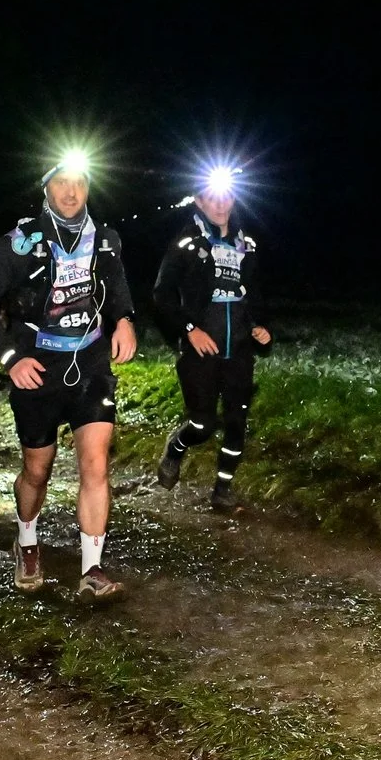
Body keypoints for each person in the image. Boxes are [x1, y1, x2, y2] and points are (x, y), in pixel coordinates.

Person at [0, 157, 138, 596]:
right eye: (60, 183)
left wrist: (124, 320)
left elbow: (118, 290)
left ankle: (92, 569)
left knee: (95, 465)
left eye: (79, 182)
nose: (70, 191)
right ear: (45, 189)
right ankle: (26, 541)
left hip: (91, 364)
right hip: (37, 368)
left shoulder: (105, 240)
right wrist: (10, 359)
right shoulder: (18, 242)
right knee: (37, 472)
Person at [151, 170, 271, 511]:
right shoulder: (187, 242)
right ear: (200, 201)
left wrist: (261, 326)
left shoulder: (247, 244)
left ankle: (223, 492)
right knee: (203, 423)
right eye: (212, 198)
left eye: (226, 197)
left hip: (240, 350)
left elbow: (257, 296)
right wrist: (190, 329)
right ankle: (175, 447)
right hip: (199, 349)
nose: (220, 204)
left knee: (237, 421)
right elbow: (161, 296)